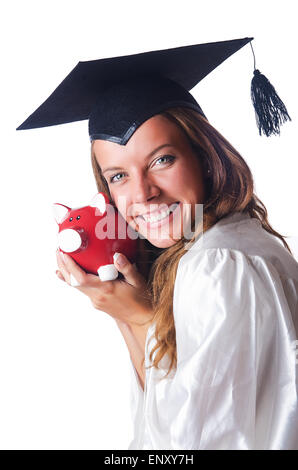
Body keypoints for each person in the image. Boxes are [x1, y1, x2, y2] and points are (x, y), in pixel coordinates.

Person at [17, 39, 297, 449]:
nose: (142, 194)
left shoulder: (218, 264)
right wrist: (124, 311)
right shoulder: (226, 244)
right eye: (118, 176)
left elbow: (185, 447)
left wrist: (141, 320)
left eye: (162, 160)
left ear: (204, 155)